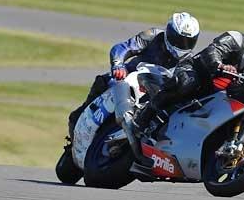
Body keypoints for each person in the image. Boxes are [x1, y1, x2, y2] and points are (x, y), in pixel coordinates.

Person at [133, 11, 244, 135]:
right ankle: (145, 116)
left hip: (222, 94)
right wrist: (219, 65)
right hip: (198, 72)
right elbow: (213, 51)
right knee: (187, 82)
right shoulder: (238, 39)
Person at [67, 11, 201, 137]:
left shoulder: (189, 62)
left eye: (187, 41)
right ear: (169, 32)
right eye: (178, 39)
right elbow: (123, 48)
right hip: (127, 79)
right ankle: (80, 117)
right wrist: (118, 64)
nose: (182, 44)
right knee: (103, 81)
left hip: (152, 95)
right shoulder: (153, 35)